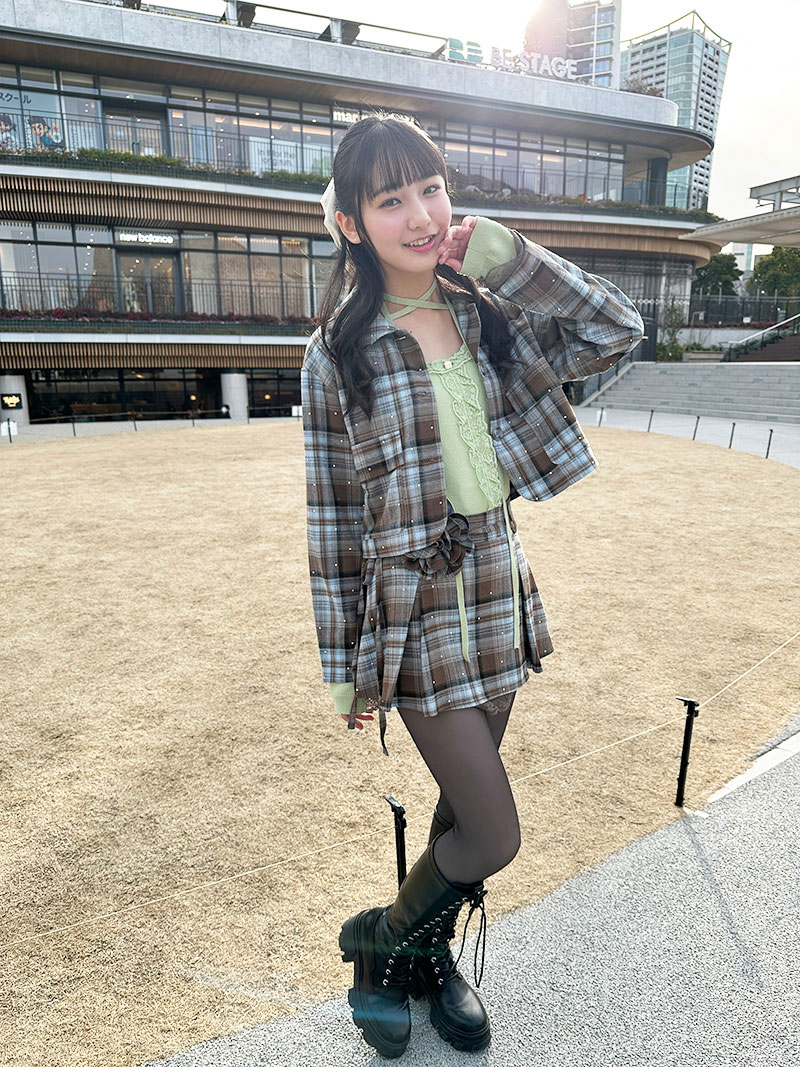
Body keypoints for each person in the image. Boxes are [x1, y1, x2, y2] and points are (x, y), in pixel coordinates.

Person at [301, 113, 644, 1058]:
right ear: (352, 221)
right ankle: (378, 937)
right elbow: (331, 518)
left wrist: (510, 256)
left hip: (497, 587)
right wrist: (343, 670)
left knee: (460, 809)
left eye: (430, 188)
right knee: (493, 833)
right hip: (411, 613)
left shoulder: (491, 312)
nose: (420, 214)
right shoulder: (337, 351)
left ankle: (420, 958)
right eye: (390, 199)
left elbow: (617, 329)